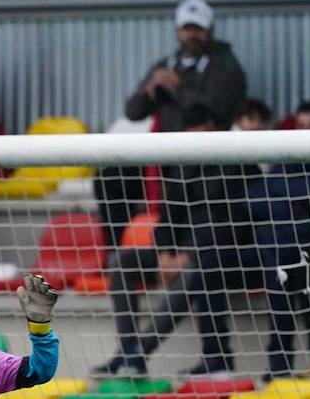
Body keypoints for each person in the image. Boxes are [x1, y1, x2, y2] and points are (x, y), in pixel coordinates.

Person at [95, 0, 248, 246]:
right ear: (177, 30)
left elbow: (215, 109)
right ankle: (117, 250)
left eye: (198, 28)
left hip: (206, 158)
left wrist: (176, 87)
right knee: (110, 178)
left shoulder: (226, 65)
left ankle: (179, 256)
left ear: (210, 30)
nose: (192, 35)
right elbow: (133, 112)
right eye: (187, 28)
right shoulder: (165, 64)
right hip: (163, 154)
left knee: (184, 190)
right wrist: (149, 90)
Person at [93, 104, 221, 376]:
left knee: (195, 273)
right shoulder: (180, 166)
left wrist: (187, 254)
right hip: (174, 251)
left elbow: (224, 223)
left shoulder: (230, 167)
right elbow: (168, 214)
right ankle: (127, 351)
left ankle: (139, 351)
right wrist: (163, 252)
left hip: (211, 253)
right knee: (121, 262)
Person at [248, 101, 310, 378]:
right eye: (300, 126)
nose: (305, 132)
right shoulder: (287, 158)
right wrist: (296, 201)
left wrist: (289, 198)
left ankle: (284, 365)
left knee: (286, 266)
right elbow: (257, 199)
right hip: (276, 245)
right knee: (209, 264)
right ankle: (216, 361)